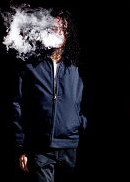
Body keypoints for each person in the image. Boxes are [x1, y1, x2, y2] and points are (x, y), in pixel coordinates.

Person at [12, 9, 86, 182]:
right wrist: (22, 147)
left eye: (63, 29)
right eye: (53, 28)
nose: (58, 32)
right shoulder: (31, 66)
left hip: (71, 145)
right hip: (40, 147)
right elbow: (18, 105)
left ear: (68, 33)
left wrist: (79, 124)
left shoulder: (76, 66)